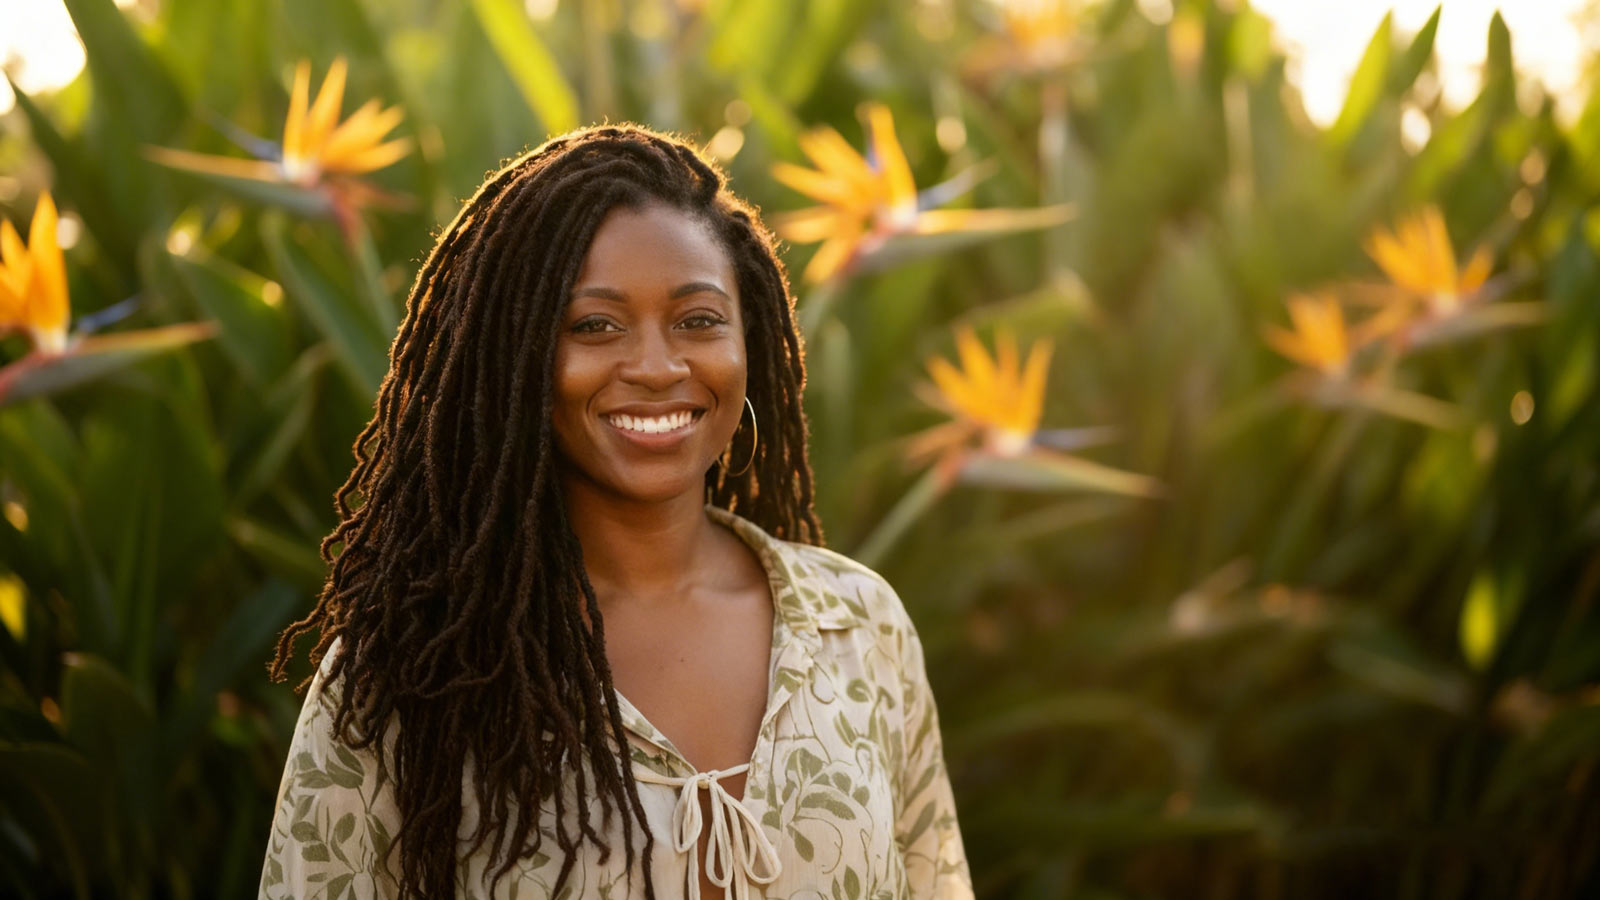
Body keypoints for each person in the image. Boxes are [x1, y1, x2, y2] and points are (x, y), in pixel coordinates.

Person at [258, 124, 973, 900]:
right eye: (595, 326)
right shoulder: (403, 673)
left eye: (698, 320)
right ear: (517, 356)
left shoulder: (859, 627)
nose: (659, 367)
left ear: (752, 341)